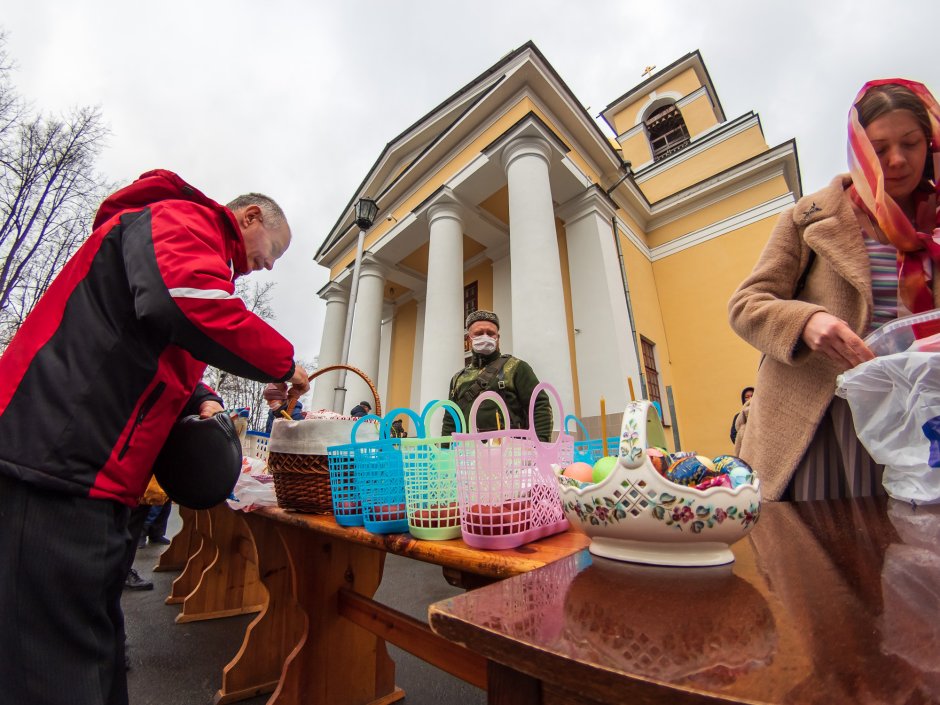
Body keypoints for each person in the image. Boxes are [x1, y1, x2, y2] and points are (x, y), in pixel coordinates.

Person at [0, 169, 310, 705]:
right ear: (250, 216)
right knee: (55, 664)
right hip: (58, 460)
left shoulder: (186, 252)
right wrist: (285, 363)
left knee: (95, 644)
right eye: (271, 252)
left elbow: (158, 351)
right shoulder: (185, 220)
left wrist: (203, 397)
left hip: (93, 473)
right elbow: (184, 301)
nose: (265, 266)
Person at [729, 80, 939, 502]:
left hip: (917, 416)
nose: (897, 160)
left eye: (911, 143)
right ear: (858, 150)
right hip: (826, 416)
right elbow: (746, 305)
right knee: (823, 549)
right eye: (879, 149)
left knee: (913, 552)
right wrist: (807, 322)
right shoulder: (807, 218)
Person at [441, 310, 552, 441]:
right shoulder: (458, 379)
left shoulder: (516, 367)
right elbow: (450, 419)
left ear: (498, 338)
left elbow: (539, 406)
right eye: (478, 333)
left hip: (511, 453)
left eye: (490, 333)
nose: (485, 336)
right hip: (469, 454)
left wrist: (540, 446)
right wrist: (445, 454)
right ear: (468, 339)